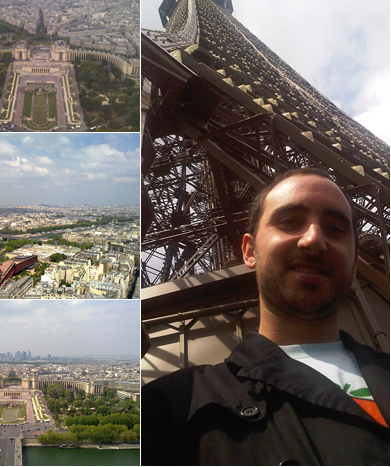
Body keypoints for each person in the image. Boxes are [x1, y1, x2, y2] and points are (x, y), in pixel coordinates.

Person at [141, 168, 389, 466]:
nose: (313, 240)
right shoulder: (171, 407)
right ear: (249, 250)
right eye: (289, 222)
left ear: (355, 260)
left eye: (336, 228)